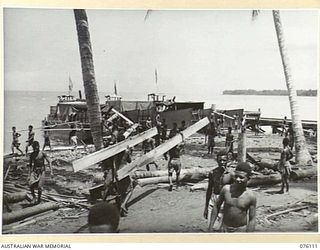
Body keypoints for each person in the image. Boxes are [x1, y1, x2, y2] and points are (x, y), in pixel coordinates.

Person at [208, 162, 256, 232]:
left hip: (240, 230)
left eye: (241, 177)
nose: (238, 179)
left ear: (248, 178)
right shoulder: (226, 190)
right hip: (225, 228)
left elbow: (252, 219)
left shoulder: (251, 196)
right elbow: (216, 206)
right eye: (236, 176)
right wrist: (210, 226)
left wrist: (249, 235)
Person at [204, 150, 230, 230]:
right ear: (217, 161)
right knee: (211, 226)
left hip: (225, 200)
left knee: (222, 227)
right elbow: (209, 189)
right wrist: (206, 207)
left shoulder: (230, 174)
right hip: (214, 199)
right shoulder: (213, 173)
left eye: (224, 160)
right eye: (220, 160)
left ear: (227, 161)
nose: (222, 162)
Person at [167, 123, 182, 192]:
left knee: (170, 174)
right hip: (177, 160)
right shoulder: (178, 146)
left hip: (171, 160)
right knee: (178, 174)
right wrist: (182, 136)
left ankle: (170, 183)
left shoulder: (170, 146)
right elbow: (184, 143)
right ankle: (177, 187)